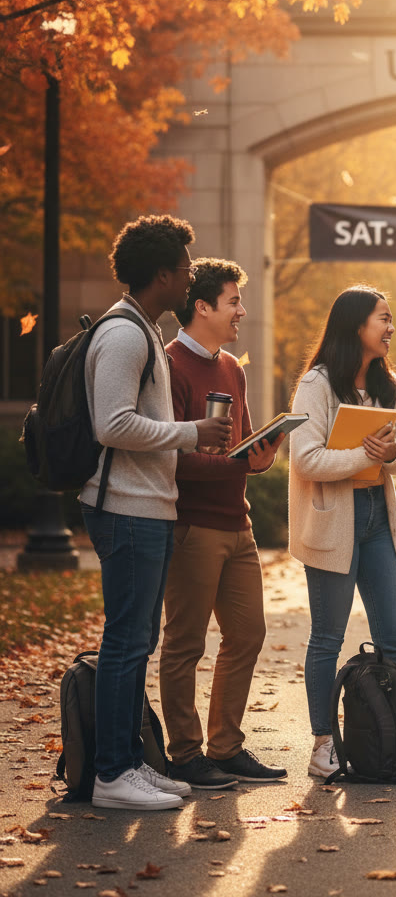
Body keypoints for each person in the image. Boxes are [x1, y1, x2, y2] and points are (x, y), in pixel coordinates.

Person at [80, 215, 233, 810]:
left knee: (136, 641)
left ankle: (129, 764)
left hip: (147, 508)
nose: (192, 279)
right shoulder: (124, 335)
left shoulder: (140, 328)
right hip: (127, 508)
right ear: (164, 275)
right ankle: (114, 774)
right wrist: (192, 433)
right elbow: (111, 423)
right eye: (188, 271)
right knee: (125, 643)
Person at [160, 258, 286, 789]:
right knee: (186, 644)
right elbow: (169, 454)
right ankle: (185, 753)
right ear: (202, 306)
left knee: (247, 634)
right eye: (233, 301)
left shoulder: (232, 368)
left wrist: (265, 451)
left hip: (239, 524)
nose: (242, 311)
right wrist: (233, 463)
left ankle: (226, 747)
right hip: (192, 527)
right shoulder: (168, 365)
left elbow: (243, 443)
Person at [288, 286, 396, 780]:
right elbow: (305, 460)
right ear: (355, 325)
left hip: (378, 519)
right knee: (327, 637)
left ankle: (394, 737)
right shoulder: (317, 384)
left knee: (393, 635)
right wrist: (367, 455)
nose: (390, 328)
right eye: (383, 318)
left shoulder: (389, 386)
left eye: (391, 319)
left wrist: (390, 456)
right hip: (333, 520)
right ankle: (324, 745)